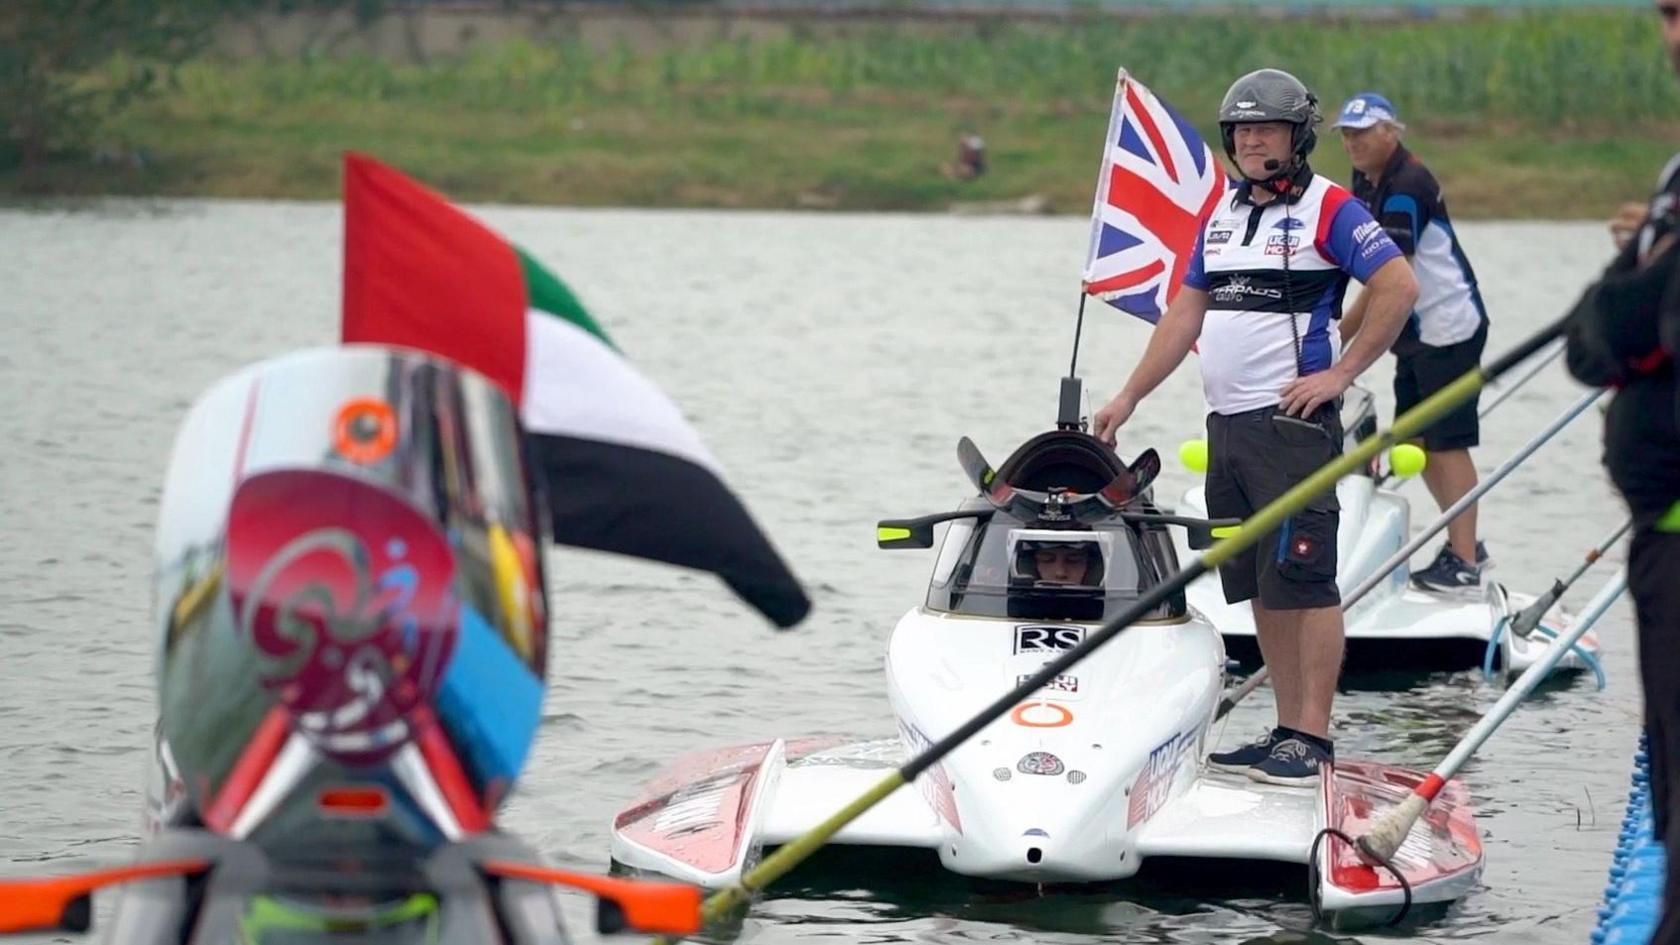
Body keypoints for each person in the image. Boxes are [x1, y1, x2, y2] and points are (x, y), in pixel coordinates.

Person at [1093, 68, 1418, 786]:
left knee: (1305, 579)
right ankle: (1284, 728)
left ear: (1298, 137)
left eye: (1264, 129)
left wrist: (1341, 373)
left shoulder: (1332, 209)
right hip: (1229, 429)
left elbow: (1398, 286)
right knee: (1262, 586)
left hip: (1293, 427)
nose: (1250, 140)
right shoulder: (1221, 216)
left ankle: (1314, 734)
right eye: (1240, 130)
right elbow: (1184, 315)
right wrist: (1129, 396)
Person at [1565, 1, 1680, 935]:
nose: (1676, 34)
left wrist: (1628, 299)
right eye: (1670, 14)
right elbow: (1598, 338)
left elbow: (1644, 323)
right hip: (1661, 537)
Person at [1333, 93, 1492, 592]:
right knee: (1415, 442)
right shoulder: (1366, 179)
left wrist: (1339, 334)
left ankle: (1464, 560)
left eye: (1364, 132)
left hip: (1448, 331)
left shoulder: (1407, 187)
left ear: (1392, 133)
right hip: (1415, 335)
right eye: (1346, 133)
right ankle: (1467, 543)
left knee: (1447, 444)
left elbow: (1386, 277)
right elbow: (1351, 254)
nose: (1353, 142)